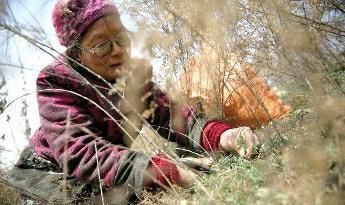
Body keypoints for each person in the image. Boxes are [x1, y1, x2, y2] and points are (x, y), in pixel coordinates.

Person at [10, 0, 259, 204]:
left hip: (108, 166)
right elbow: (81, 152)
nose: (117, 50)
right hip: (48, 172)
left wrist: (222, 135)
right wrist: (161, 172)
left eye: (121, 37)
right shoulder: (55, 82)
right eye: (102, 45)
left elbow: (172, 116)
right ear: (77, 53)